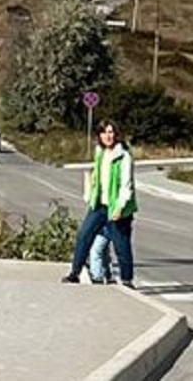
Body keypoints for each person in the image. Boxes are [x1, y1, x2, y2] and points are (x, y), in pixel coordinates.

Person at [61, 119, 138, 287]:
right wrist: (90, 196)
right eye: (104, 132)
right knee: (84, 236)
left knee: (121, 244)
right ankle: (75, 273)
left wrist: (120, 207)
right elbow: (96, 176)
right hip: (99, 206)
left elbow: (127, 185)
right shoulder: (100, 153)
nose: (107, 136)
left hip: (117, 207)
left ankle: (127, 280)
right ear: (100, 136)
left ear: (116, 135)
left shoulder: (123, 156)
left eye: (111, 132)